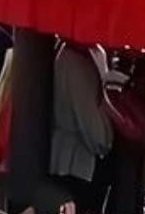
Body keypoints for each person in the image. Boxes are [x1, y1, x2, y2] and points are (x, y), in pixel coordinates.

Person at [49, 42, 113, 213]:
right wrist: (104, 139)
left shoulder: (94, 53)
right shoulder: (74, 61)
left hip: (76, 157)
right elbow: (88, 117)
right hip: (76, 161)